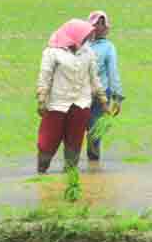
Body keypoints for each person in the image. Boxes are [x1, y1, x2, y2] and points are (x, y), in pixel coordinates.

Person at [36, 20, 106, 174]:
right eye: (85, 35)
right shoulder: (52, 52)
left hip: (81, 103)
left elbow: (94, 77)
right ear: (75, 35)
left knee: (74, 142)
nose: (87, 38)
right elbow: (45, 76)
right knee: (48, 141)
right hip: (57, 104)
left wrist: (103, 99)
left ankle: (70, 173)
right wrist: (42, 99)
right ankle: (42, 170)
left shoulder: (88, 52)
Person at [86, 10, 123, 163]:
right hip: (85, 94)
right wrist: (117, 98)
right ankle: (91, 163)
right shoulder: (84, 45)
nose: (99, 27)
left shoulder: (82, 45)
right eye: (97, 24)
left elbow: (113, 73)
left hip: (97, 95)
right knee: (93, 130)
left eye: (102, 24)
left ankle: (91, 165)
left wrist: (117, 97)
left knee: (91, 130)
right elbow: (113, 73)